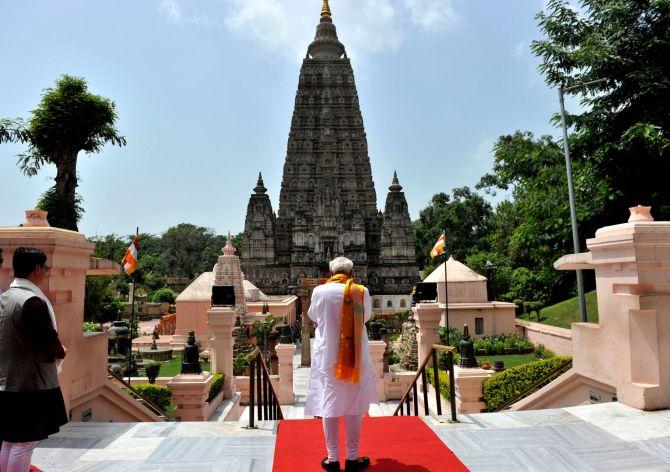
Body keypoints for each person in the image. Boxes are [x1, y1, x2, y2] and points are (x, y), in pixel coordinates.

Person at [305, 256, 378, 471]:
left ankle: (333, 458)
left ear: (331, 270)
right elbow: (365, 317)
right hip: (355, 355)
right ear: (352, 271)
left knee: (330, 403)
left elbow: (313, 315)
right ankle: (352, 457)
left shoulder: (320, 291)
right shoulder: (360, 291)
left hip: (328, 356)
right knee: (355, 403)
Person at [0, 247, 68, 472]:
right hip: (31, 383)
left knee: (10, 439)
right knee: (25, 442)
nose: (47, 272)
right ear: (37, 269)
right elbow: (47, 339)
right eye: (46, 268)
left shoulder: (5, 297)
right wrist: (61, 351)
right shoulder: (32, 302)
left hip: (7, 381)